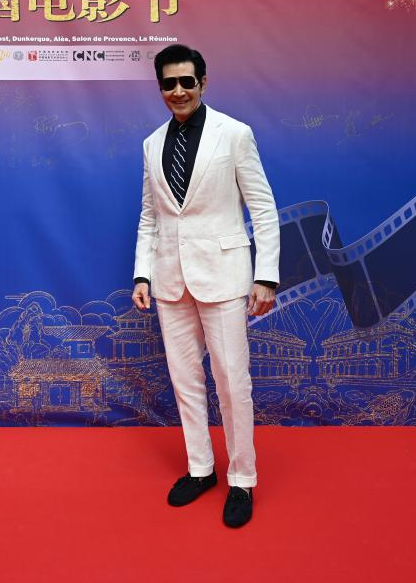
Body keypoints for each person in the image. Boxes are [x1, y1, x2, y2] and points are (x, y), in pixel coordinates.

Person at [132, 44, 280, 528]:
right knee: (185, 381)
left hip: (224, 276)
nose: (178, 91)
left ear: (202, 83)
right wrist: (142, 273)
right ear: (160, 88)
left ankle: (242, 478)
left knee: (233, 382)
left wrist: (266, 276)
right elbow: (150, 217)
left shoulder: (234, 134)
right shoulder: (151, 144)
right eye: (169, 84)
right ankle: (201, 468)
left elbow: (263, 208)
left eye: (187, 82)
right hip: (169, 280)